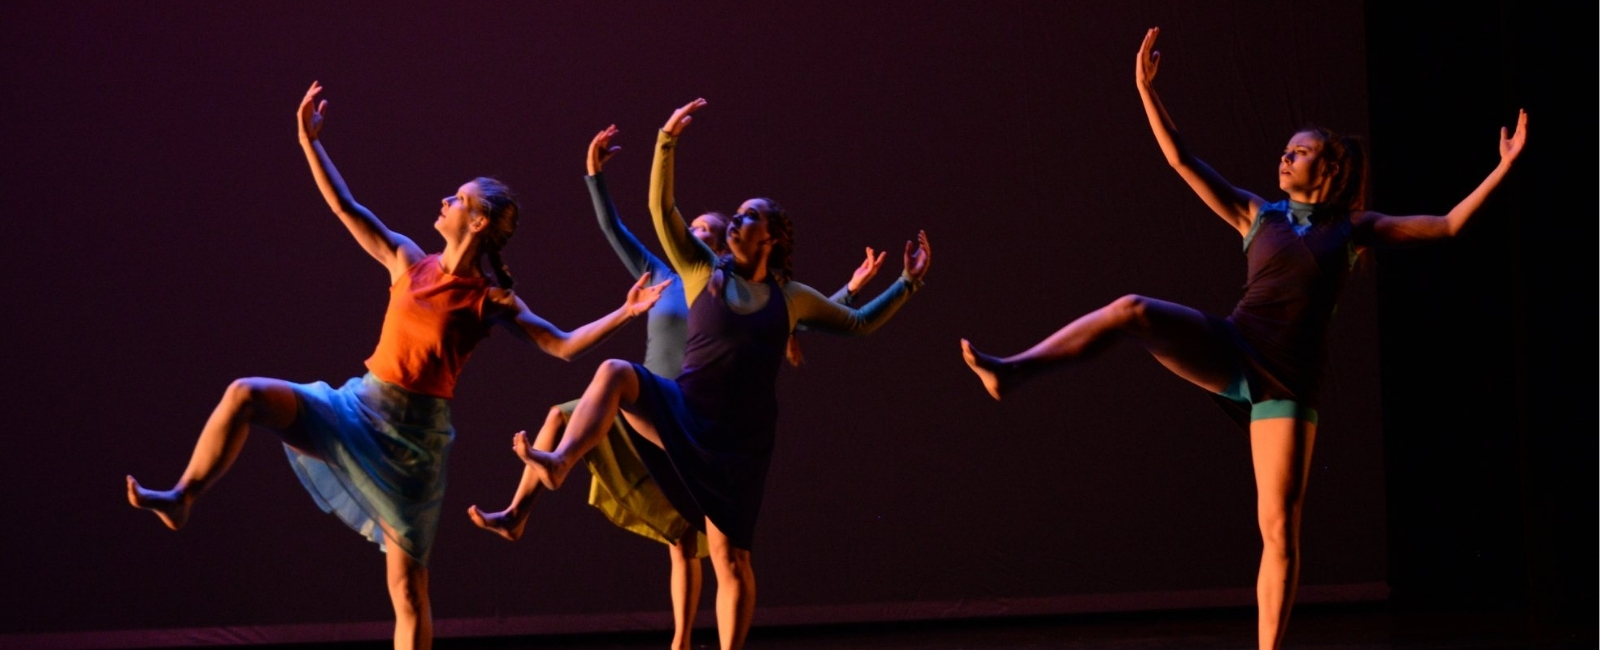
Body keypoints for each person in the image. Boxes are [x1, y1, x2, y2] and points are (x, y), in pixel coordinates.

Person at [960, 28, 1527, 650]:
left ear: (1328, 167)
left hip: (1287, 382)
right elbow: (1182, 160)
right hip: (1233, 346)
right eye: (1285, 151)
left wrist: (1501, 169)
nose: (1284, 158)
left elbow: (1445, 226)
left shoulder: (1352, 230)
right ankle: (1013, 370)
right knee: (1132, 309)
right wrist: (1146, 92)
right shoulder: (1259, 215)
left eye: (1299, 152)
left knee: (1279, 530)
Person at [125, 81, 668, 650]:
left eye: (458, 200)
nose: (446, 201)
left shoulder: (488, 300)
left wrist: (625, 313)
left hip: (412, 447)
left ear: (478, 222)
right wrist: (310, 142)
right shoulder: (410, 260)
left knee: (407, 593)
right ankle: (185, 495)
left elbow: (561, 345)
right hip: (358, 406)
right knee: (245, 394)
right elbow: (346, 207)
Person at [510, 98, 930, 650]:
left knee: (731, 558)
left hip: (742, 443)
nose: (737, 219)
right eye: (735, 214)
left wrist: (907, 283)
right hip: (685, 414)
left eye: (750, 215)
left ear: (773, 236)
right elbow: (662, 212)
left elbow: (855, 323)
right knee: (615, 371)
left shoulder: (791, 299)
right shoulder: (698, 271)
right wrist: (666, 141)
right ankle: (561, 462)